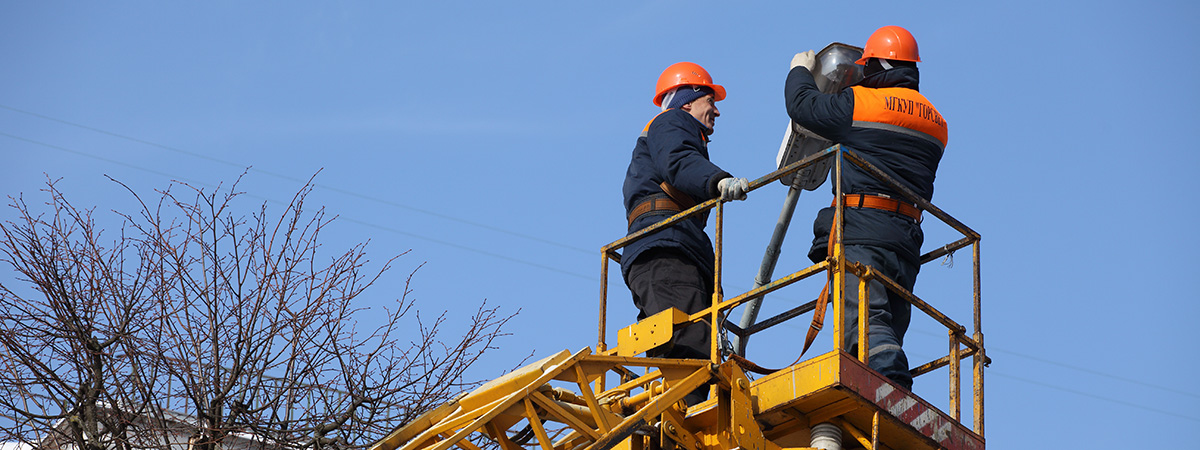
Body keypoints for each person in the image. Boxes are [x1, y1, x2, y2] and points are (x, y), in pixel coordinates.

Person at [784, 26, 948, 390]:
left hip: (862, 231)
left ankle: (891, 382)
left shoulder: (860, 103)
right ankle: (877, 381)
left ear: (879, 65)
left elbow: (802, 106)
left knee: (865, 319)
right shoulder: (937, 123)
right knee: (887, 323)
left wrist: (800, 68)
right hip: (906, 241)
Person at [621, 62, 749, 403]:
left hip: (662, 251)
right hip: (666, 251)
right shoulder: (672, 123)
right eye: (710, 99)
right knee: (690, 345)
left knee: (672, 349)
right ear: (687, 101)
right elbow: (678, 162)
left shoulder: (665, 132)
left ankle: (677, 419)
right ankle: (692, 421)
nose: (716, 110)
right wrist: (717, 180)